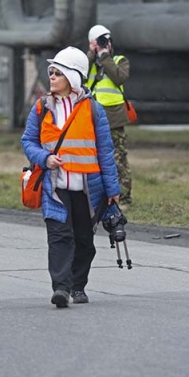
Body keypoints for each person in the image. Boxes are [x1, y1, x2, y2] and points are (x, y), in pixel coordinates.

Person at [21, 46, 122, 308]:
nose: (51, 77)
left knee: (84, 240)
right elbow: (28, 141)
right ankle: (61, 289)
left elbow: (105, 151)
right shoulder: (42, 107)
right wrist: (44, 158)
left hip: (87, 190)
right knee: (58, 237)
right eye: (50, 72)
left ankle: (78, 286)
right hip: (54, 188)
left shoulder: (94, 110)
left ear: (73, 77)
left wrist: (112, 188)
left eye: (57, 73)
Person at [85, 24, 133, 208]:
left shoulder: (120, 60)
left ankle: (124, 197)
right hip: (91, 117)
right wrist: (91, 54)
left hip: (114, 118)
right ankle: (98, 196)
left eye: (107, 41)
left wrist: (104, 57)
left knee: (118, 158)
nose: (106, 45)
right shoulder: (88, 62)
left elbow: (119, 77)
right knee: (93, 158)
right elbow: (78, 75)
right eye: (101, 42)